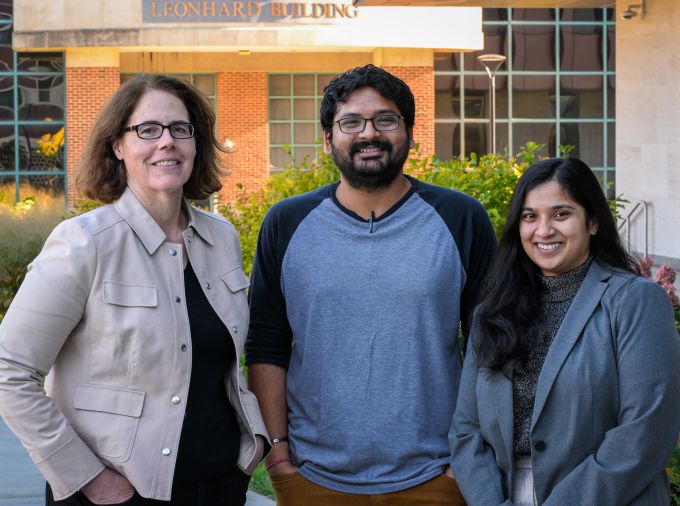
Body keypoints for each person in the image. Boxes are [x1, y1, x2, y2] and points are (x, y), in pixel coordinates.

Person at [0, 74, 268, 505]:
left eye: (181, 129)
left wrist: (252, 442)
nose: (167, 142)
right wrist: (87, 478)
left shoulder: (222, 238)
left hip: (220, 482)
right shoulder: (84, 243)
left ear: (196, 145)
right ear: (118, 146)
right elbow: (9, 370)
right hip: (117, 492)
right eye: (147, 130)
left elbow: (226, 360)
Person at [245, 64, 497, 505]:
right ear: (328, 139)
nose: (369, 133)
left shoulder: (460, 217)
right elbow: (267, 343)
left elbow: (492, 341)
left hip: (438, 474)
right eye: (351, 122)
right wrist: (278, 454)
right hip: (312, 478)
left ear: (409, 133)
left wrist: (464, 460)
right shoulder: (286, 222)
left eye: (386, 119)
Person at [450, 157, 680, 505]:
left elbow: (645, 432)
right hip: (505, 494)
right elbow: (466, 430)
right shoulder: (491, 311)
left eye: (561, 214)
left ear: (593, 223)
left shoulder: (635, 301)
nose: (543, 230)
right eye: (530, 216)